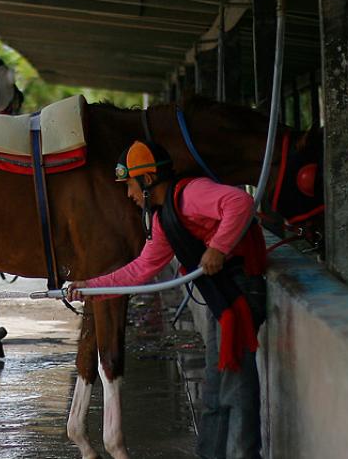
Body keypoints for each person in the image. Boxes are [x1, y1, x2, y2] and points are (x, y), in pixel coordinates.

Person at [70, 141, 267, 459]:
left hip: (239, 295)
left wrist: (218, 247)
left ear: (147, 181)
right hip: (223, 300)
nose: (129, 195)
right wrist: (89, 287)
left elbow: (240, 202)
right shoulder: (165, 220)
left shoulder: (190, 194)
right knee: (217, 391)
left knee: (235, 388)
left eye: (131, 185)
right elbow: (140, 270)